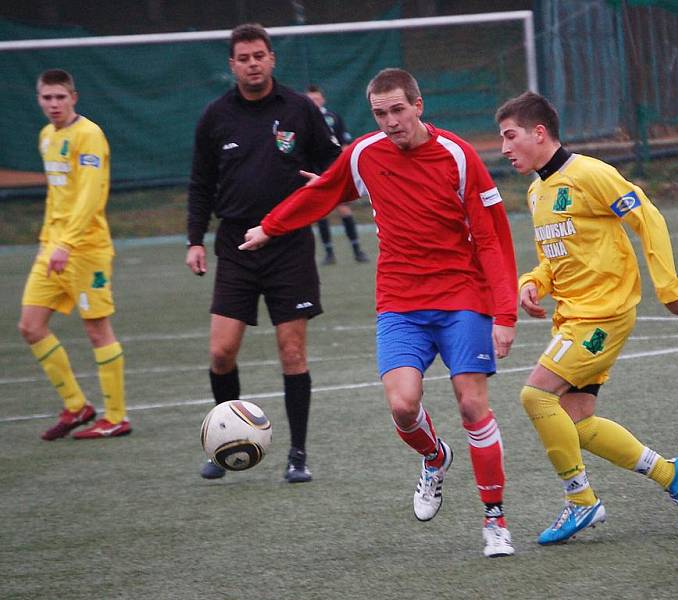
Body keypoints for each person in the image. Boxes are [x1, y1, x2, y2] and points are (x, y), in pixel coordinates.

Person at [241, 68, 519, 558]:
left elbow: (493, 237)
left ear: (418, 105)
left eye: (397, 110)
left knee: (473, 405)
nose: (390, 122)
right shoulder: (365, 154)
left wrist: (505, 313)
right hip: (400, 301)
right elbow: (325, 189)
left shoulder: (459, 155)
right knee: (402, 406)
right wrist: (271, 226)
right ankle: (435, 458)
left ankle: (494, 520)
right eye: (380, 113)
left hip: (462, 296)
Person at [496, 91, 678, 545]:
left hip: (603, 314)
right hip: (574, 316)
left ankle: (582, 501)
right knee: (578, 423)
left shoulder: (590, 173)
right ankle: (673, 474)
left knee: (534, 397)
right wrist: (533, 282)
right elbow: (555, 256)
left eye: (511, 137)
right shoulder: (536, 192)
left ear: (540, 133)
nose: (505, 148)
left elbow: (648, 218)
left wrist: (669, 287)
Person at [185, 24, 340, 481]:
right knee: (221, 353)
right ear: (232, 65)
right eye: (243, 58)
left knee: (292, 352)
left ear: (272, 58)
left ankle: (298, 455)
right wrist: (195, 239)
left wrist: (325, 185)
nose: (253, 64)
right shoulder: (215, 116)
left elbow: (333, 161)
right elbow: (199, 183)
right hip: (235, 246)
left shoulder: (299, 109)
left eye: (259, 55)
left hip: (289, 245)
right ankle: (224, 443)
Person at [18, 69, 130, 440]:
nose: (53, 105)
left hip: (85, 249)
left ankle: (115, 417)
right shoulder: (46, 137)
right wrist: (49, 240)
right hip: (52, 246)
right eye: (46, 98)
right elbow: (58, 195)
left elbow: (90, 195)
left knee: (97, 329)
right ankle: (76, 406)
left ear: (74, 98)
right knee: (31, 326)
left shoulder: (89, 136)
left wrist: (66, 244)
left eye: (59, 98)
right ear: (39, 99)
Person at [305, 84, 369, 265]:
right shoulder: (303, 120)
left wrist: (339, 164)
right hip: (314, 172)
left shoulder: (332, 117)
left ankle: (357, 250)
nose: (314, 103)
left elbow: (345, 143)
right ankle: (328, 253)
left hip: (334, 172)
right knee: (321, 213)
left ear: (323, 100)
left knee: (344, 209)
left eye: (317, 99)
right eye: (310, 100)